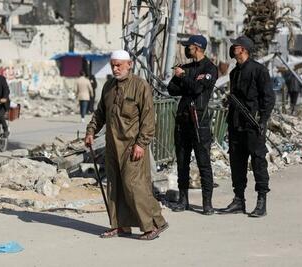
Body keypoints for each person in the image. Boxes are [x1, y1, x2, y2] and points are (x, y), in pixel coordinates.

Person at [84, 50, 168, 240]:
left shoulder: (140, 86)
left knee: (134, 186)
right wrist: (91, 132)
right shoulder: (108, 86)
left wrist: (141, 144)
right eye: (113, 65)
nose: (115, 68)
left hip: (132, 146)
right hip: (112, 145)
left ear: (129, 64)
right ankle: (119, 225)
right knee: (114, 186)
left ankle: (154, 224)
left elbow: (148, 119)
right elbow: (99, 114)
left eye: (119, 65)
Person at [220, 36, 275, 217]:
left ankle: (261, 201)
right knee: (237, 162)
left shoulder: (259, 70)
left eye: (235, 46)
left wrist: (262, 120)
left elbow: (268, 98)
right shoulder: (234, 72)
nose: (232, 48)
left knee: (258, 161)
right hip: (236, 124)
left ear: (243, 49)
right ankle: (239, 200)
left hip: (253, 125)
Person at [167, 35, 218, 215]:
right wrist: (184, 78)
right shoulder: (186, 68)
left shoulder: (210, 68)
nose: (186, 49)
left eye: (188, 46)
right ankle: (183, 200)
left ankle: (207, 203)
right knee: (182, 162)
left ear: (197, 48)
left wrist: (184, 79)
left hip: (200, 120)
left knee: (203, 162)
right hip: (183, 120)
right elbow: (171, 89)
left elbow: (197, 89)